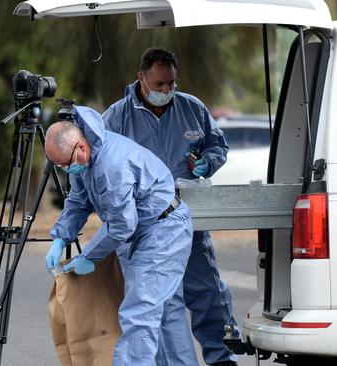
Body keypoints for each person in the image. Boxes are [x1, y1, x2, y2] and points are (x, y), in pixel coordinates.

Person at [102, 48, 239, 366]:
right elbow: (104, 165)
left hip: (189, 218)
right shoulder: (118, 116)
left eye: (171, 84)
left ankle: (221, 358)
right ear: (142, 78)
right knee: (163, 303)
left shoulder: (192, 108)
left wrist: (208, 162)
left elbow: (217, 145)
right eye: (160, 84)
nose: (166, 91)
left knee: (208, 293)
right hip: (147, 225)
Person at [44, 106, 198, 366]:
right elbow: (78, 202)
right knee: (165, 315)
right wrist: (60, 238)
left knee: (138, 315)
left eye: (65, 165)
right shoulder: (86, 160)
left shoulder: (111, 165)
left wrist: (89, 256)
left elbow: (121, 225)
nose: (64, 170)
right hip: (145, 231)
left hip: (162, 231)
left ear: (80, 147)